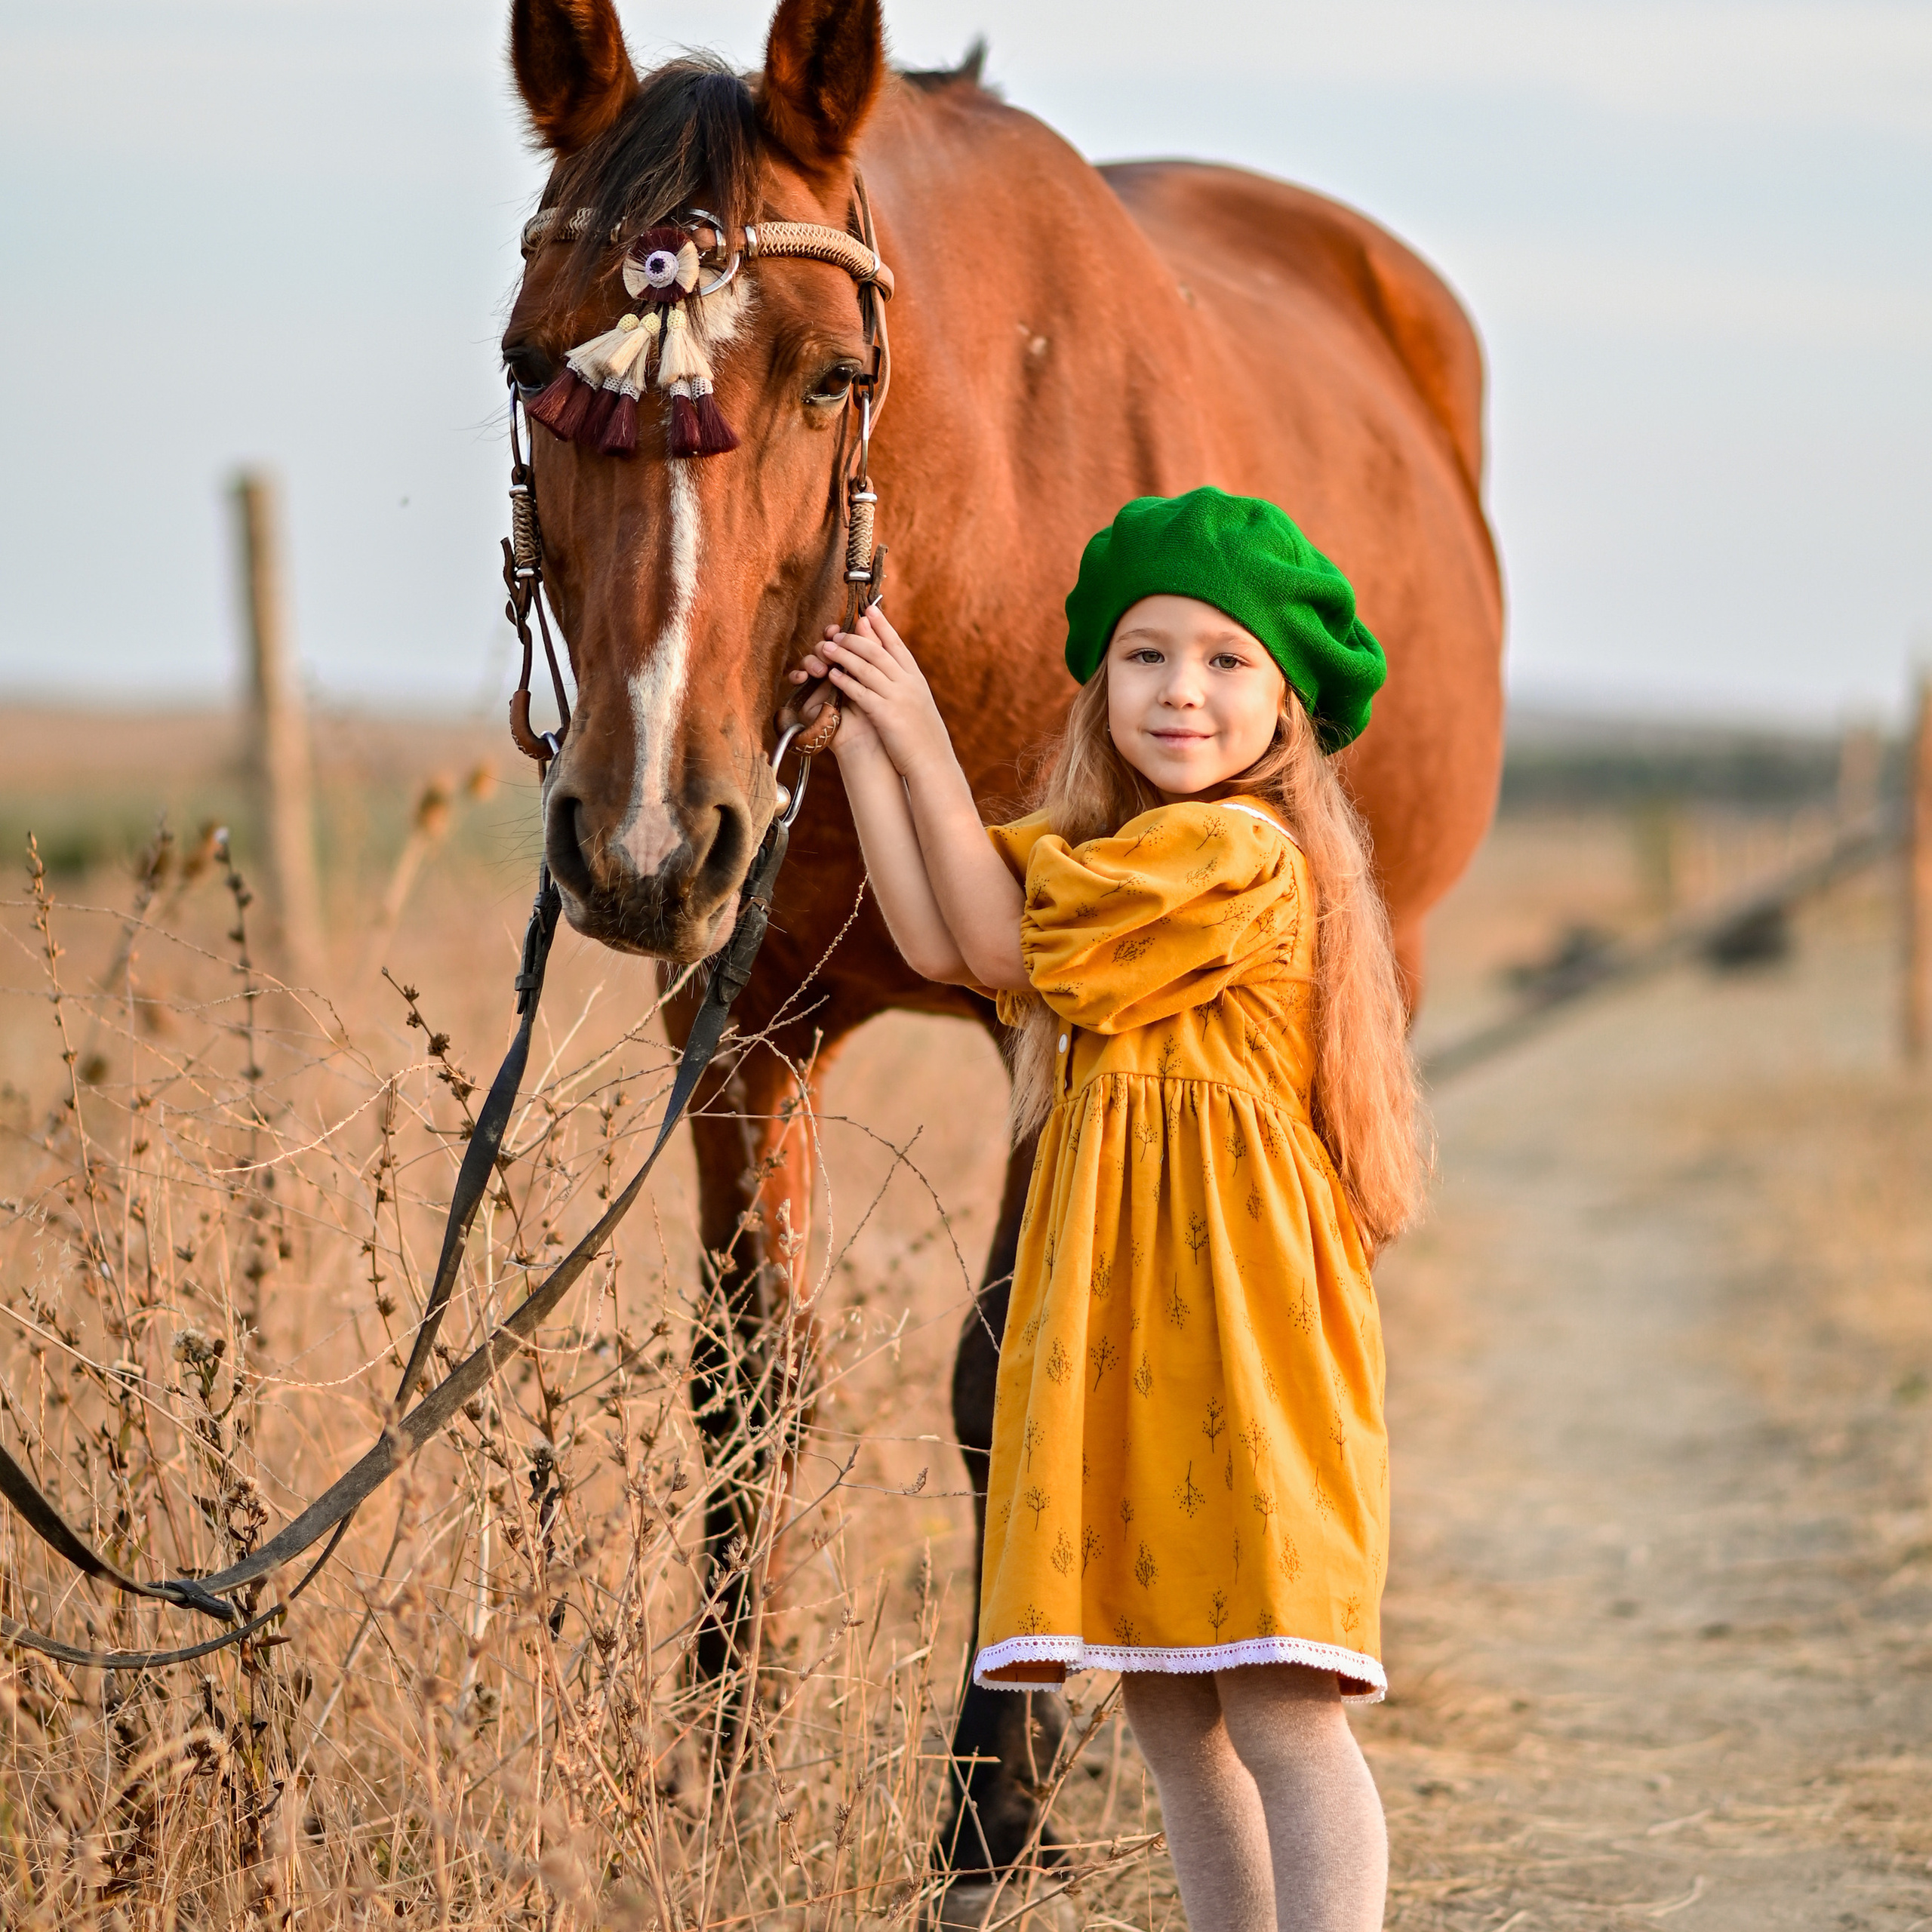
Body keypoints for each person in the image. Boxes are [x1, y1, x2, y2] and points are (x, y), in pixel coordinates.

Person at [789, 486, 1424, 1931]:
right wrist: (870, 745)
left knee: (1279, 1707)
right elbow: (947, 941)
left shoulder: (1231, 853)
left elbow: (997, 935)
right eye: (1146, 654)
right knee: (1170, 1710)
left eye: (1225, 659)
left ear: (1288, 702)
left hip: (1242, 1337)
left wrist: (922, 731)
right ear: (1102, 682)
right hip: (1140, 1328)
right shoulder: (1117, 860)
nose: (1181, 689)